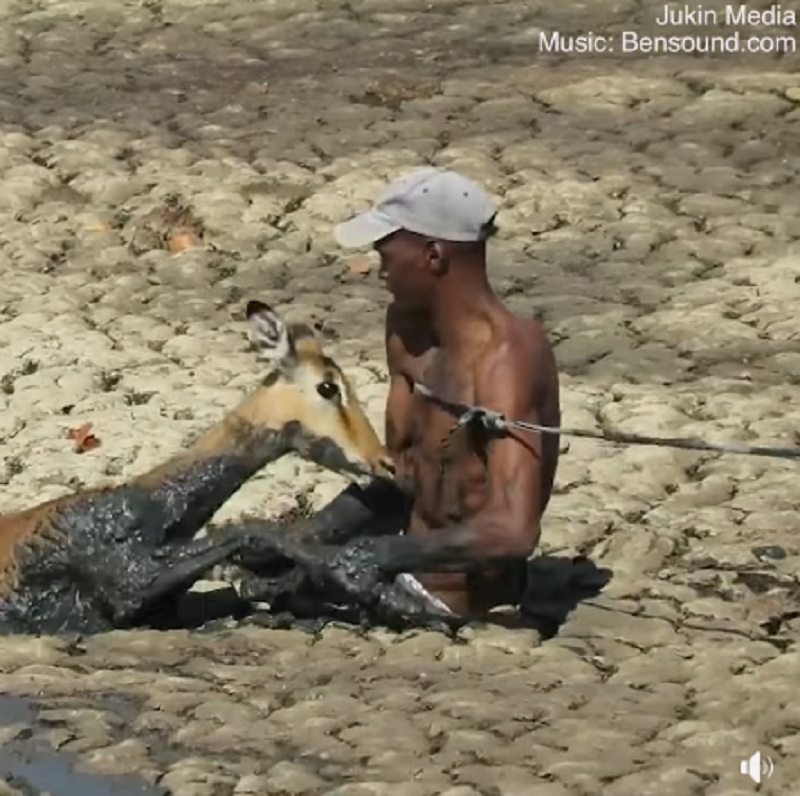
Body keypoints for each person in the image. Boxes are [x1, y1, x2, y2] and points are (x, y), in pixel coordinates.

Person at [238, 168, 561, 624]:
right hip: (397, 566)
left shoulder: (507, 359)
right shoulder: (406, 330)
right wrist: (310, 536)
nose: (380, 270)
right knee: (249, 576)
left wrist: (382, 555)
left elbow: (513, 532)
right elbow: (405, 474)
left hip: (453, 599)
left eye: (387, 254)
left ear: (433, 256)